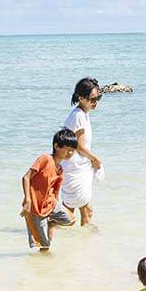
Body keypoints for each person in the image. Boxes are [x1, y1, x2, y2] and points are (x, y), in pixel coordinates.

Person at [21, 129, 78, 251]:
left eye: (73, 150)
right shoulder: (45, 159)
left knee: (71, 220)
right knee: (44, 246)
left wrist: (56, 208)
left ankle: (51, 222)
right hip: (35, 209)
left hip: (51, 204)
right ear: (56, 146)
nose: (70, 152)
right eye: (68, 148)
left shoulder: (60, 170)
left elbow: (56, 192)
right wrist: (28, 200)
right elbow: (26, 178)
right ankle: (43, 269)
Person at [61, 77, 103, 226]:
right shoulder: (78, 116)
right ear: (81, 97)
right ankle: (85, 241)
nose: (95, 102)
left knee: (71, 210)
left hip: (75, 167)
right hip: (75, 168)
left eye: (98, 98)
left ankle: (66, 238)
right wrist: (95, 159)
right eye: (92, 99)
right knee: (85, 210)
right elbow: (79, 146)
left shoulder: (81, 114)